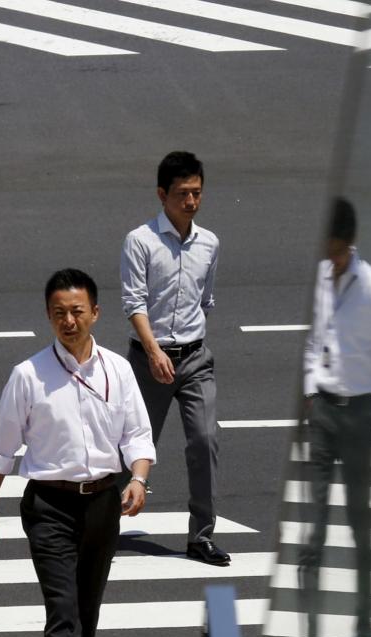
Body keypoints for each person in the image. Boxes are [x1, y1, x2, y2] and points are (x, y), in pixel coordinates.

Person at [0, 268, 155, 637]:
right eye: (60, 313)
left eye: (78, 311)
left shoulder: (118, 369)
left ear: (95, 313)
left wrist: (137, 479)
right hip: (48, 505)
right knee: (62, 609)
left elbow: (137, 435)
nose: (69, 321)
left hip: (103, 501)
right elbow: (2, 450)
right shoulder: (28, 375)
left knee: (87, 609)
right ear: (48, 317)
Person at [293, 199, 371, 637]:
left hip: (358, 415)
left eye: (335, 248)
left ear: (349, 243)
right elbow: (314, 340)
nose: (330, 256)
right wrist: (313, 390)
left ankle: (364, 614)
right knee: (312, 529)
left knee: (359, 519)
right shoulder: (317, 279)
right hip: (324, 415)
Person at [120, 151, 227, 566]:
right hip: (148, 361)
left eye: (197, 193)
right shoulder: (140, 241)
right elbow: (134, 303)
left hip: (196, 359)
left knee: (205, 440)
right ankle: (98, 527)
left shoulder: (210, 243)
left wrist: (188, 344)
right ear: (162, 194)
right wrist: (154, 350)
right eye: (183, 194)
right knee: (125, 448)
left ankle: (201, 536)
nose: (191, 202)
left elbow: (206, 300)